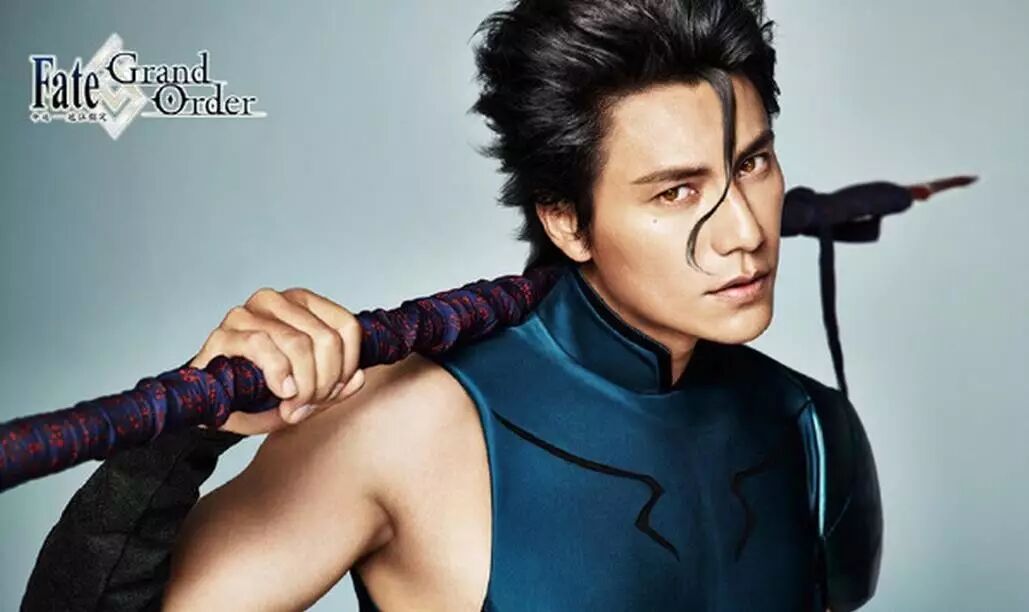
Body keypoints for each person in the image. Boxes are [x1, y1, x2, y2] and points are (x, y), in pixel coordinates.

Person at [23, 0, 883, 610]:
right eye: (673, 192)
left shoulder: (813, 430)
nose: (743, 232)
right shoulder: (401, 426)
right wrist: (178, 435)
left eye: (750, 164)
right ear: (565, 220)